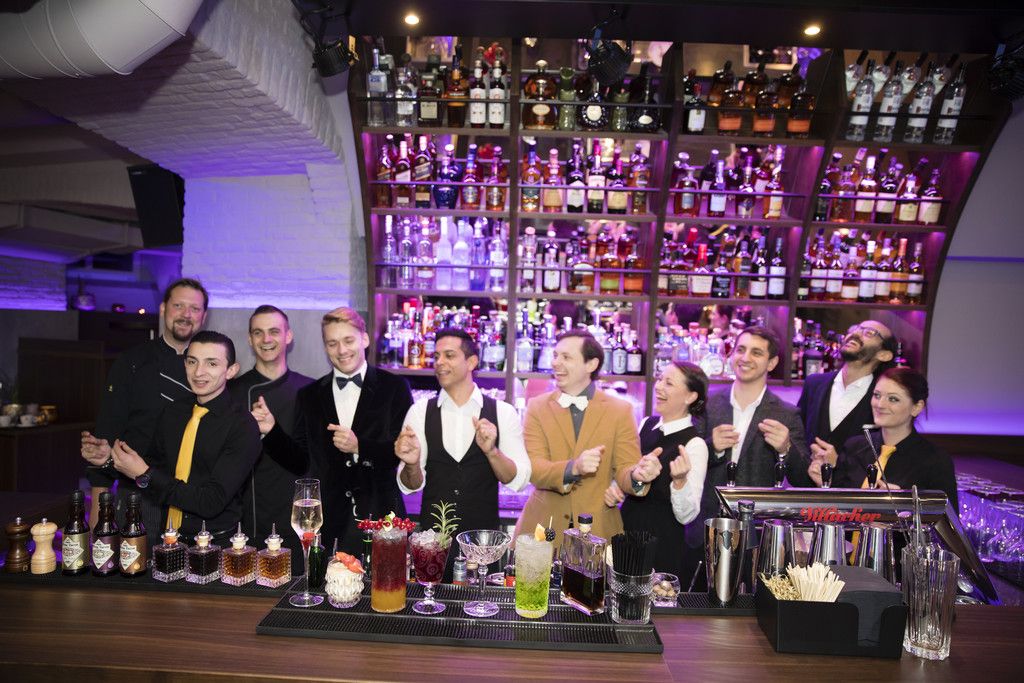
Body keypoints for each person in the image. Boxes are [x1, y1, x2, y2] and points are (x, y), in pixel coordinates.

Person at [258, 307, 412, 556]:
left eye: (348, 340)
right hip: (330, 523)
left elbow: (402, 454)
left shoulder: (394, 387)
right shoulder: (309, 395)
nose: (341, 350)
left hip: (382, 517)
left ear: (364, 339)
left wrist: (359, 447)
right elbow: (300, 462)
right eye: (332, 344)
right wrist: (271, 431)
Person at [394, 329, 531, 575]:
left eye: (449, 355)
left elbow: (517, 480)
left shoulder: (502, 412)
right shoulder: (420, 412)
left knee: (481, 599)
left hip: (484, 547)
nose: (439, 362)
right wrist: (412, 464)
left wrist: (492, 452)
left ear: (472, 362)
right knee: (429, 597)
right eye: (436, 356)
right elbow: (409, 485)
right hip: (433, 545)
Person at [109, 331, 261, 547]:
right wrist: (111, 459)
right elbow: (153, 470)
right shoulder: (173, 412)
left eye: (211, 363)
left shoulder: (243, 425)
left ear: (231, 371)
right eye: (192, 362)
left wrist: (145, 473)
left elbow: (210, 502)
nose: (198, 372)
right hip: (167, 537)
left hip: (216, 544)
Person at [513, 330, 662, 548]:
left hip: (597, 531)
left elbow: (625, 469)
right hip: (543, 530)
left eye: (566, 357)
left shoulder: (620, 410)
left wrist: (639, 476)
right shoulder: (537, 406)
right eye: (555, 355)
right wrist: (574, 468)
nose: (555, 363)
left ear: (591, 364)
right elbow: (534, 469)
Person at [80, 278, 208, 529]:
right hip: (137, 496)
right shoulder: (132, 362)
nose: (186, 314)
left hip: (193, 497)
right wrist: (97, 514)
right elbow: (107, 433)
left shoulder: (210, 371)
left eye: (194, 309)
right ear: (163, 308)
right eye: (178, 306)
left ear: (203, 317)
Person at [607, 361, 710, 582]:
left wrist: (679, 482)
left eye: (669, 383)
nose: (659, 386)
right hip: (626, 532)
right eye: (660, 379)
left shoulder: (695, 444)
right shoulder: (646, 424)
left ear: (690, 396)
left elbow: (687, 515)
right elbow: (628, 470)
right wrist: (616, 487)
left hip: (662, 543)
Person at [230, 305, 313, 573]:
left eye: (274, 331)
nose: (266, 339)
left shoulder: (310, 390)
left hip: (300, 520)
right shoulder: (233, 392)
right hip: (249, 522)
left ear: (288, 336)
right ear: (250, 339)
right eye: (258, 332)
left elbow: (309, 463)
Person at [809, 367, 958, 509]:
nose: (880, 404)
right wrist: (824, 484)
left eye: (893, 399)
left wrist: (904, 506)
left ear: (916, 407)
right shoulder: (854, 447)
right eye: (877, 395)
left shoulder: (935, 460)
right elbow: (839, 510)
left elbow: (945, 522)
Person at [702, 326, 812, 518]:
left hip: (757, 524)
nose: (745, 358)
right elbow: (685, 464)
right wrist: (712, 448)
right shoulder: (706, 405)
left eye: (756, 353)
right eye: (740, 350)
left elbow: (804, 480)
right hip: (706, 521)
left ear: (772, 363)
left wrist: (786, 449)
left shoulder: (787, 414)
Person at [798, 320, 897, 467]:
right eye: (856, 329)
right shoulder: (814, 383)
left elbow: (886, 457)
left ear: (883, 355)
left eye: (869, 333)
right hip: (807, 480)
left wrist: (839, 464)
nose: (855, 334)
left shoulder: (884, 399)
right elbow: (798, 435)